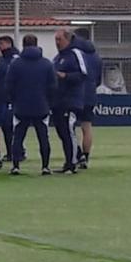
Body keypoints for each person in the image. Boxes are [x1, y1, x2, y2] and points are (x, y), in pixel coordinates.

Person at [4, 34, 57, 176]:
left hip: (21, 106)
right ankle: (45, 166)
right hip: (41, 106)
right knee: (43, 137)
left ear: (23, 45)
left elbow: (9, 85)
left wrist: (14, 101)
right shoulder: (47, 64)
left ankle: (15, 166)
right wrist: (48, 103)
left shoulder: (16, 64)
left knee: (18, 137)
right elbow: (53, 87)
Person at [52, 28, 88, 174]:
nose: (57, 42)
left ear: (67, 39)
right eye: (55, 40)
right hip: (57, 101)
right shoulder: (57, 58)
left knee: (69, 130)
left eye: (59, 39)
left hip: (71, 100)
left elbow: (83, 74)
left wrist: (65, 76)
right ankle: (75, 157)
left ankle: (71, 163)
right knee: (62, 132)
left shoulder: (75, 54)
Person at [71, 33, 102, 170]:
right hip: (90, 95)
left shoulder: (74, 54)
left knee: (69, 125)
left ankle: (76, 152)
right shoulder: (96, 56)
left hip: (75, 94)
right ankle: (86, 156)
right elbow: (98, 79)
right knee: (87, 126)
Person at [0, 36, 19, 158]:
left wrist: (0, 59)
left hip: (9, 98)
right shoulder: (5, 59)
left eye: (1, 44)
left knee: (10, 125)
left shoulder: (13, 58)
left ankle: (18, 151)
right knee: (5, 126)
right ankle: (10, 152)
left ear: (8, 44)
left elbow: (5, 71)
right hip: (0, 97)